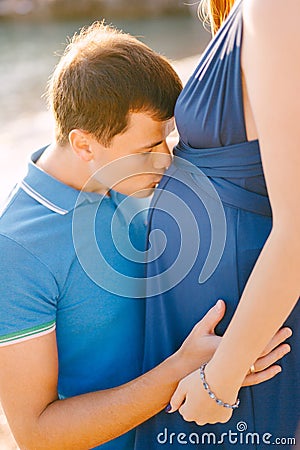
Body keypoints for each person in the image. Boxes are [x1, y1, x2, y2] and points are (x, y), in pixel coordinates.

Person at [0, 22, 290, 450]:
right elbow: (36, 434)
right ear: (84, 145)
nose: (167, 161)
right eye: (147, 149)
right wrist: (182, 368)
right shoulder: (17, 250)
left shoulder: (123, 183)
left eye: (167, 140)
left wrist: (227, 359)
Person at [134, 0, 300, 448]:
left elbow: (298, 231)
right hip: (227, 325)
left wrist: (219, 382)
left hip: (242, 336)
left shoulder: (278, 9)